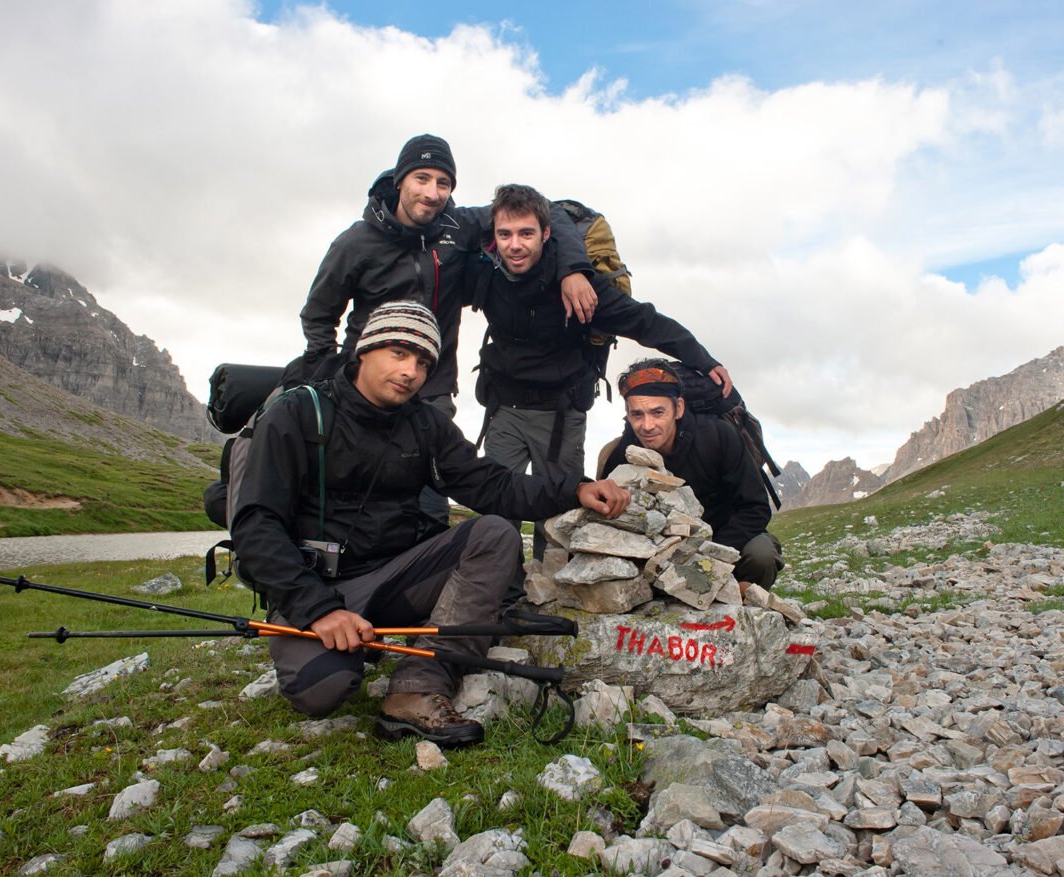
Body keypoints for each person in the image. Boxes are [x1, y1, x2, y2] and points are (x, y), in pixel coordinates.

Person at [233, 301, 630, 747]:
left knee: (496, 532)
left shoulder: (426, 423)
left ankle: (418, 686)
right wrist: (318, 609)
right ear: (364, 350)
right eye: (399, 353)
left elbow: (490, 485)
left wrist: (572, 488)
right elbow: (256, 525)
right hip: (316, 585)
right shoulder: (297, 412)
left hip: (397, 579)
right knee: (321, 692)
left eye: (423, 362)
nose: (411, 372)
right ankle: (343, 640)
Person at [298, 135, 598, 526]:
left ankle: (425, 575)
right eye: (422, 178)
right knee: (358, 492)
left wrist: (574, 268)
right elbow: (318, 316)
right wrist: (335, 377)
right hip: (363, 392)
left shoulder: (461, 226)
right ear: (400, 180)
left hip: (431, 391)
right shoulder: (356, 243)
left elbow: (548, 213)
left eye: (444, 183)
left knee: (429, 500)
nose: (432, 192)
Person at [470, 183, 733, 559]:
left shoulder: (581, 289)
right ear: (493, 237)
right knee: (498, 506)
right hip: (504, 410)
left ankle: (550, 598)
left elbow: (646, 322)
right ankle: (499, 596)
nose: (515, 245)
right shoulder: (484, 273)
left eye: (526, 233)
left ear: (546, 234)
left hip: (561, 414)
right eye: (506, 234)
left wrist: (705, 361)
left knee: (558, 514)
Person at [600, 359, 784, 591]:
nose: (647, 425)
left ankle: (744, 608)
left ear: (679, 408)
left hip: (725, 540)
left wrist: (705, 553)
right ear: (627, 413)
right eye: (637, 414)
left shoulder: (718, 436)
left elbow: (755, 508)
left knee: (762, 554)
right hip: (660, 553)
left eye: (658, 412)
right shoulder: (621, 455)